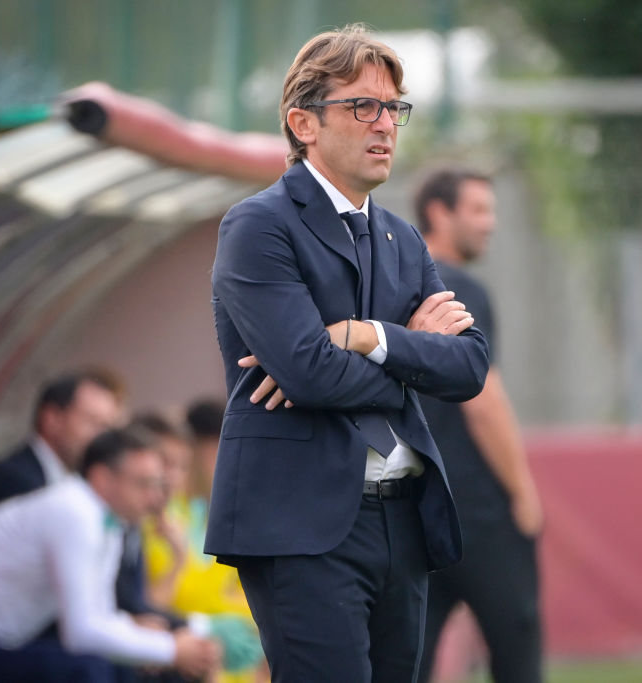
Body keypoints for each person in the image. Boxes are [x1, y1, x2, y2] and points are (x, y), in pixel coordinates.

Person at [206, 24, 489, 683]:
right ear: (303, 122)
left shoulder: (401, 237)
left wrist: (372, 337)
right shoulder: (258, 225)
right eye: (363, 106)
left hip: (402, 518)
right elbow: (307, 369)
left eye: (394, 107)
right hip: (300, 525)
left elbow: (470, 365)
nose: (385, 123)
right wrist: (415, 357)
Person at [413, 168, 545, 682]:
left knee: (409, 656)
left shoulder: (395, 281)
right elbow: (483, 400)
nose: (491, 223)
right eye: (479, 210)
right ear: (439, 214)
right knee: (517, 640)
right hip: (476, 509)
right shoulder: (460, 288)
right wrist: (522, 490)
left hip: (414, 506)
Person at [0, 427, 220, 682]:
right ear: (102, 478)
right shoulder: (75, 511)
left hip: (12, 642)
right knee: (91, 667)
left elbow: (100, 613)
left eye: (157, 484)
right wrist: (171, 649)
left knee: (128, 662)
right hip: (3, 642)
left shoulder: (107, 519)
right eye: (144, 484)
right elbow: (81, 633)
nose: (155, 497)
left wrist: (144, 635)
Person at [139, 406, 267, 683]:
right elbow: (175, 597)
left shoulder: (201, 513)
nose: (229, 463)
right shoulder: (146, 522)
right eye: (219, 451)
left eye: (179, 466)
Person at [0, 368, 123, 506]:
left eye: (107, 427)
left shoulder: (63, 483)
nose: (102, 436)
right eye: (93, 422)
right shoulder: (16, 480)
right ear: (52, 419)